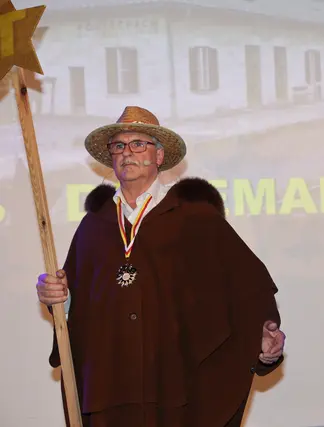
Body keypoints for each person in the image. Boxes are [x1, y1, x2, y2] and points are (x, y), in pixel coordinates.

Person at [36, 106, 286, 427]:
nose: (127, 152)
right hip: (110, 386)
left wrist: (263, 335)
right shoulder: (93, 226)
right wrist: (59, 296)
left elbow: (248, 285)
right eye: (119, 145)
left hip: (175, 385)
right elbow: (78, 302)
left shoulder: (195, 218)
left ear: (159, 156)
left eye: (138, 144)